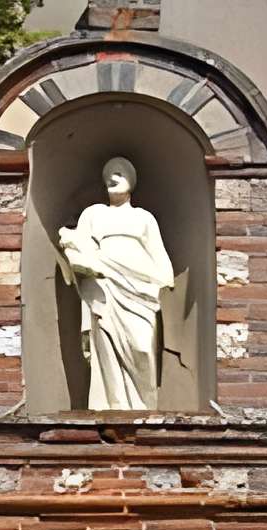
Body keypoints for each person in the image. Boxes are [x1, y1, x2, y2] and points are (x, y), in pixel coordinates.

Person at [57, 156, 176, 411]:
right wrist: (72, 247)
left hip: (139, 288)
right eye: (108, 175)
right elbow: (80, 248)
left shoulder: (144, 218)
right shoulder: (93, 214)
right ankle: (114, 405)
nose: (112, 178)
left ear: (131, 182)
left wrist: (162, 281)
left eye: (119, 174)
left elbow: (159, 255)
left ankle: (144, 408)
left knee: (142, 346)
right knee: (108, 347)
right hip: (104, 287)